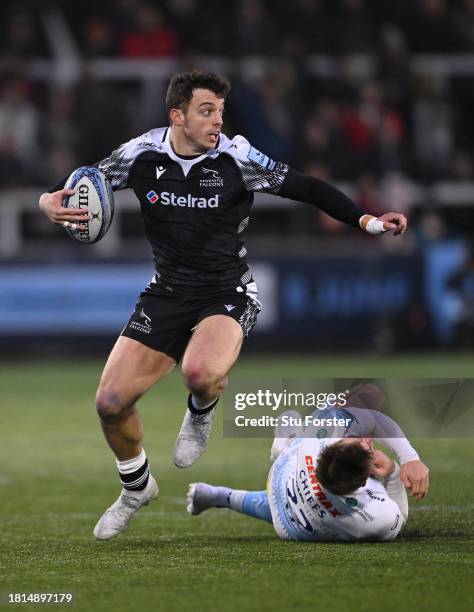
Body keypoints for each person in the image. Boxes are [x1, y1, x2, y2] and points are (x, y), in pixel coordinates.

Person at [38, 70, 408, 540]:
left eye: (220, 111)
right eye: (206, 111)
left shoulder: (237, 157)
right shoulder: (141, 154)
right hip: (167, 292)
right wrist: (48, 199)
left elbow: (306, 187)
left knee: (199, 372)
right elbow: (81, 181)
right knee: (109, 404)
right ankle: (136, 487)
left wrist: (367, 220)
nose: (217, 121)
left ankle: (202, 406)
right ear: (178, 115)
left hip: (226, 291)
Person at [187, 407, 430, 542]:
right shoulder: (374, 519)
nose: (368, 437)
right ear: (365, 479)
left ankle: (285, 445)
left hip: (285, 486)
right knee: (281, 504)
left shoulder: (318, 440)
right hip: (299, 527)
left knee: (299, 422)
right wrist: (396, 469)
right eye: (365, 444)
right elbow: (400, 517)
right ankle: (221, 495)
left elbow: (371, 419)